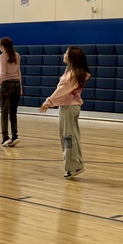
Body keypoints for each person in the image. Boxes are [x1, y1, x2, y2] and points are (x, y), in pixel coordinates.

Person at [39, 46, 91, 179]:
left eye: (66, 53)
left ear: (72, 57)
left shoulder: (71, 75)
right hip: (72, 108)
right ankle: (76, 163)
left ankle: (73, 167)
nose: (64, 54)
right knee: (72, 136)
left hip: (68, 108)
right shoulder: (75, 73)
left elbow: (61, 91)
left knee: (67, 137)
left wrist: (48, 102)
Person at [0, 37, 23, 147]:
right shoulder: (17, 55)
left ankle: (5, 137)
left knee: (4, 112)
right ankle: (15, 136)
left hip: (6, 85)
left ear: (3, 46)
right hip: (16, 84)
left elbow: (2, 74)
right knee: (13, 112)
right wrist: (20, 86)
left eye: (0, 45)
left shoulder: (3, 57)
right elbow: (18, 72)